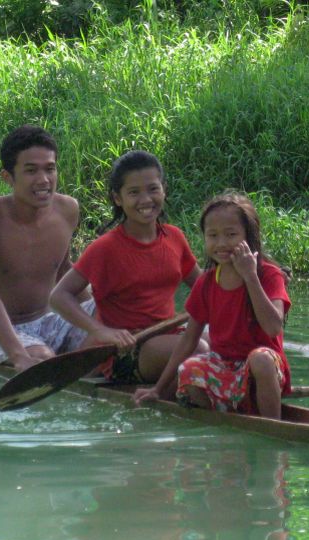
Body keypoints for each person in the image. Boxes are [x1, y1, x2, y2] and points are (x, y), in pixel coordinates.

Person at [50, 150, 208, 384]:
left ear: (164, 189)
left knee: (222, 343)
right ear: (118, 198)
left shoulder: (175, 237)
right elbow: (59, 297)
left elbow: (205, 286)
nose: (145, 200)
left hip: (168, 337)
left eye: (153, 189)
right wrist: (100, 331)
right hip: (124, 351)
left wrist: (251, 277)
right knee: (200, 349)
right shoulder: (105, 248)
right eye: (134, 192)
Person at [133, 191, 291, 419]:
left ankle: (273, 427)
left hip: (262, 368)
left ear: (249, 236)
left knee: (261, 359)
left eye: (231, 234)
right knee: (188, 369)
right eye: (213, 235)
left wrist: (250, 277)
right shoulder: (206, 283)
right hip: (224, 368)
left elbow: (273, 328)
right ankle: (223, 415)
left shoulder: (268, 275)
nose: (221, 243)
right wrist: (158, 388)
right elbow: (188, 340)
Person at [0, 124, 94, 371]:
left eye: (50, 169)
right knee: (41, 359)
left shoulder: (68, 209)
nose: (43, 180)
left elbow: (63, 270)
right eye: (31, 171)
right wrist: (18, 355)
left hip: (49, 322)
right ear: (8, 177)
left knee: (116, 310)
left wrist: (97, 315)